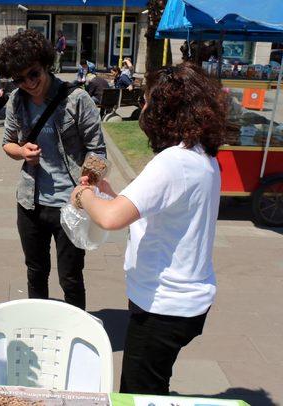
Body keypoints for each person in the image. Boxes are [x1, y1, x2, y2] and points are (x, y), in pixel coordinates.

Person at [69, 63, 227, 395]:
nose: (142, 108)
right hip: (187, 301)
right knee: (154, 382)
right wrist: (111, 194)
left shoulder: (173, 162)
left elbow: (110, 218)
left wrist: (83, 195)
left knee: (139, 394)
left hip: (163, 306)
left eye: (146, 101)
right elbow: (161, 209)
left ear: (163, 109)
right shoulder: (202, 156)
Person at [0, 29, 105, 311]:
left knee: (70, 276)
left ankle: (78, 332)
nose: (28, 83)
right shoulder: (17, 101)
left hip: (71, 203)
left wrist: (88, 179)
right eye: (19, 78)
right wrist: (22, 152)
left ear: (45, 64)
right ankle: (39, 327)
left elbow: (98, 149)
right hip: (30, 202)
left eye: (33, 74)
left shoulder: (77, 99)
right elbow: (7, 143)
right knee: (35, 271)